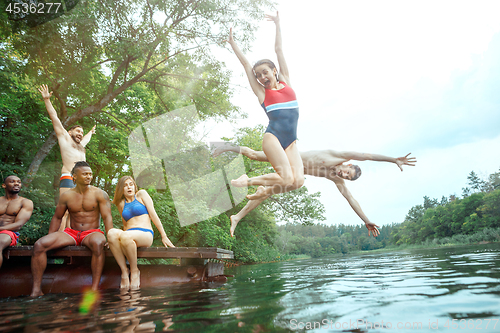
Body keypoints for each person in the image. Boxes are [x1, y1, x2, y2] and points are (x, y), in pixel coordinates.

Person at [213, 144, 416, 237]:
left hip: (291, 173)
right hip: (287, 157)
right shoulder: (339, 155)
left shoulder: (334, 178)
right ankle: (225, 147)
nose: (342, 175)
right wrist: (393, 160)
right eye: (345, 172)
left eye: (345, 177)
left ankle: (237, 217)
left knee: (268, 191)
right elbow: (368, 155)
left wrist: (366, 220)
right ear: (348, 164)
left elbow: (350, 199)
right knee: (254, 155)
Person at [227, 12, 305, 200]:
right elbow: (246, 65)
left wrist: (278, 24)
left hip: (291, 142)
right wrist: (233, 44)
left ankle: (264, 191)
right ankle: (249, 181)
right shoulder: (263, 93)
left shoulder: (286, 81)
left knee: (297, 182)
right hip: (274, 138)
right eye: (259, 75)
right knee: (286, 179)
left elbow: (279, 50)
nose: (262, 77)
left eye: (265, 72)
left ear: (274, 71)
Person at [30, 161, 113, 297]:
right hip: (71, 233)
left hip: (92, 232)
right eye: (85, 174)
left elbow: (107, 217)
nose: (88, 176)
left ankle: (94, 289)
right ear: (74, 176)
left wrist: (110, 238)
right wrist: (50, 236)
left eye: (90, 174)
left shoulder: (100, 194)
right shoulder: (66, 195)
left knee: (98, 244)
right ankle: (36, 290)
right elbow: (57, 217)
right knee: (39, 245)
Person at [38, 84, 96, 231]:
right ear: (70, 132)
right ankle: (59, 235)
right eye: (78, 131)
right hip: (68, 177)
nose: (80, 134)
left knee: (74, 212)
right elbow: (54, 117)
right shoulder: (64, 138)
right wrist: (47, 100)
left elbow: (86, 139)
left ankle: (70, 236)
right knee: (64, 210)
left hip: (81, 181)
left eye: (82, 132)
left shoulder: (80, 145)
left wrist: (90, 132)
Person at [108, 176, 175, 290]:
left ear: (135, 186)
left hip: (145, 233)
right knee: (111, 233)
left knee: (125, 235)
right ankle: (124, 271)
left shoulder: (141, 195)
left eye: (131, 184)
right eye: (125, 185)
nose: (129, 187)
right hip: (128, 234)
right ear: (121, 189)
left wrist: (164, 235)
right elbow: (125, 225)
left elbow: (153, 215)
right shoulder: (120, 203)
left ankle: (134, 271)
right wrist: (114, 242)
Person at [0, 175, 34, 268]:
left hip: (8, 233)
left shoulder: (25, 202)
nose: (16, 184)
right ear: (4, 185)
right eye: (12, 181)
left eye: (19, 182)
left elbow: (18, 225)